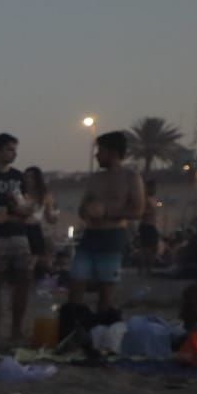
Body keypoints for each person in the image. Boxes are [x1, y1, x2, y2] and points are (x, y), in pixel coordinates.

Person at [70, 131, 143, 312]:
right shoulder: (96, 178)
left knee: (106, 289)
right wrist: (87, 212)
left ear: (112, 152)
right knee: (76, 281)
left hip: (113, 236)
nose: (96, 155)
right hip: (90, 235)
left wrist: (106, 212)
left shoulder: (130, 177)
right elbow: (82, 207)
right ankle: (74, 325)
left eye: (100, 151)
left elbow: (137, 210)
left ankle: (100, 329)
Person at [0, 134, 35, 340]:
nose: (14, 153)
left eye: (14, 149)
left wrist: (19, 209)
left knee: (23, 281)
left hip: (19, 235)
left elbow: (28, 207)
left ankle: (16, 329)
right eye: (9, 149)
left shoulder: (19, 177)